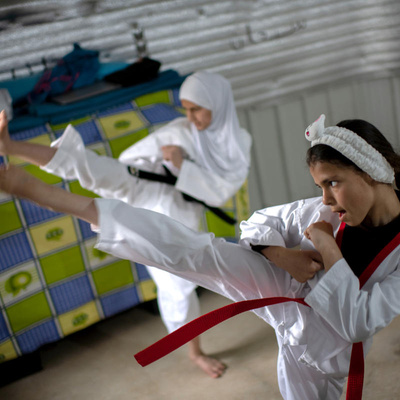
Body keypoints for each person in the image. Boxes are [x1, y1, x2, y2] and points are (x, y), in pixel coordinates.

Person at [1, 113, 400, 400]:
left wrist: (328, 248)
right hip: (292, 293)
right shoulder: (326, 210)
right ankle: (40, 192)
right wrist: (279, 253)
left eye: (333, 183)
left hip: (333, 346)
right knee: (196, 251)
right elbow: (258, 222)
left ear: (371, 172)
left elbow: (358, 322)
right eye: (321, 186)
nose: (325, 199)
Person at [0, 71, 252, 379]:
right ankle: (11, 147)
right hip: (143, 181)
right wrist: (157, 166)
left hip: (177, 202)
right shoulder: (181, 129)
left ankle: (194, 351)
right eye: (185, 108)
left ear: (218, 104)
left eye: (196, 109)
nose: (190, 117)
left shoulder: (239, 143)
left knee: (177, 281)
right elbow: (134, 158)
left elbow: (222, 190)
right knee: (90, 166)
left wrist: (182, 166)